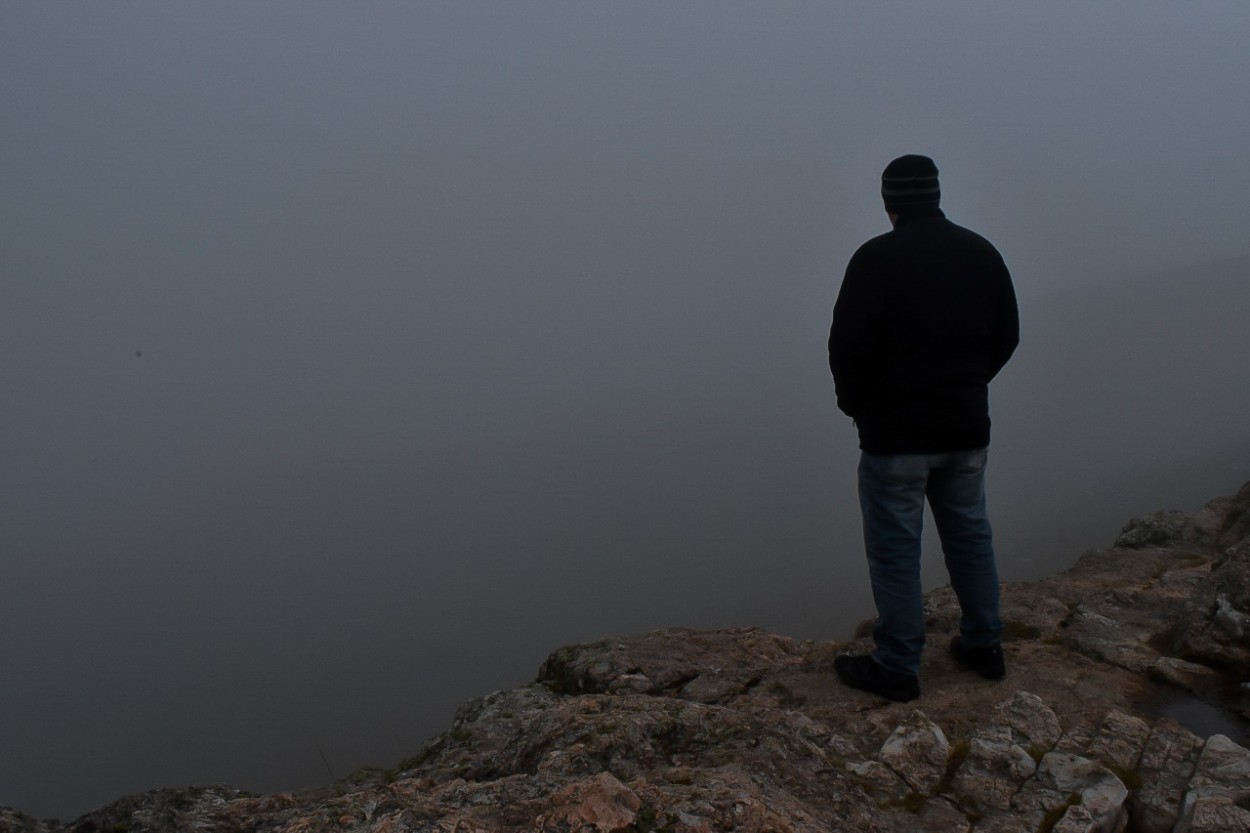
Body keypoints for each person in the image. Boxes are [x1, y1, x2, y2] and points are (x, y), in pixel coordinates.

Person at [828, 154, 1019, 702]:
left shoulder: (875, 259)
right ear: (935, 195)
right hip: (964, 429)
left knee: (894, 550)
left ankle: (898, 665)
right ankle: (984, 645)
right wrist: (967, 384)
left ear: (889, 203)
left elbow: (848, 346)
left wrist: (858, 407)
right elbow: (1007, 333)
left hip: (896, 439)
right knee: (970, 537)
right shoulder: (981, 253)